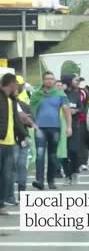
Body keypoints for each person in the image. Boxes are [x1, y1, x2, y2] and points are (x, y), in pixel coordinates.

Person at [30, 71, 72, 190]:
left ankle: (51, 180)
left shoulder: (60, 94)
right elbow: (31, 108)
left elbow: (66, 111)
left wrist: (69, 126)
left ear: (54, 81)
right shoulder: (36, 94)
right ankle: (39, 180)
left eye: (51, 79)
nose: (49, 81)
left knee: (53, 155)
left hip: (55, 128)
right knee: (39, 154)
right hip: (39, 128)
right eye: (47, 79)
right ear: (43, 80)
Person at [5, 76, 38, 206]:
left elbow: (30, 121)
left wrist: (26, 120)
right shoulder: (7, 104)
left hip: (20, 140)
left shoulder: (23, 104)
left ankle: (19, 194)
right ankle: (10, 195)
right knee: (12, 168)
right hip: (12, 140)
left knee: (20, 167)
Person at [0, 74, 28, 215]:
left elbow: (15, 121)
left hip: (10, 142)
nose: (17, 86)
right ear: (10, 83)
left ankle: (1, 205)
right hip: (1, 141)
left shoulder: (12, 100)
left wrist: (23, 135)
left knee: (6, 175)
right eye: (16, 83)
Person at [60, 74, 83, 186]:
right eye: (75, 80)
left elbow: (81, 108)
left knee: (73, 150)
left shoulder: (75, 94)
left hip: (73, 126)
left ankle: (75, 172)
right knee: (63, 152)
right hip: (60, 126)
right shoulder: (59, 94)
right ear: (68, 81)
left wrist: (76, 110)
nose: (77, 82)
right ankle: (67, 175)